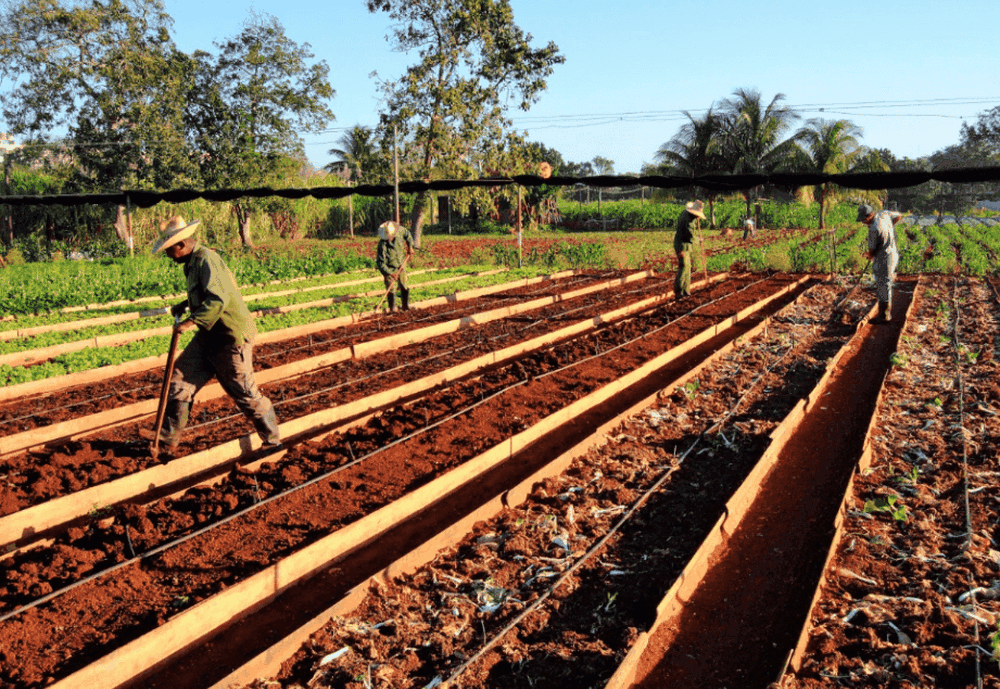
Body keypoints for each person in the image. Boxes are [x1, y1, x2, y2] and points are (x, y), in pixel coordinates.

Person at [151, 215, 280, 456]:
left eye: (169, 250)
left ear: (181, 245)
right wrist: (185, 304)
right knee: (180, 377)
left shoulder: (207, 259)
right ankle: (168, 439)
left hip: (230, 337)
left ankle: (273, 441)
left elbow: (218, 298)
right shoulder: (192, 263)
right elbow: (205, 293)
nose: (168, 255)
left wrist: (189, 322)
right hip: (209, 335)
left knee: (245, 393)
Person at [857, 204, 903, 323]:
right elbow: (899, 215)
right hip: (893, 254)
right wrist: (890, 227)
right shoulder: (884, 214)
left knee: (883, 285)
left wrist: (868, 255)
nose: (863, 222)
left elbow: (872, 251)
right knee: (886, 283)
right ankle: (884, 313)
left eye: (864, 219)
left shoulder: (873, 229)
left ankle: (884, 316)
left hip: (884, 258)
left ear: (869, 216)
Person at [376, 220, 415, 311]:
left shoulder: (400, 231)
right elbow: (380, 263)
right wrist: (390, 273)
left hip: (401, 263)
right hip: (389, 267)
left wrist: (410, 246)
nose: (389, 238)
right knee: (391, 288)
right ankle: (392, 308)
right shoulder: (382, 245)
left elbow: (408, 235)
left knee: (403, 284)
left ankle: (405, 305)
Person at [674, 200, 705, 297]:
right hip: (682, 246)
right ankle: (679, 291)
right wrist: (699, 239)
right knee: (684, 267)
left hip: (685, 245)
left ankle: (686, 290)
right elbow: (691, 237)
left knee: (688, 268)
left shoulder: (687, 215)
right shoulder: (688, 221)